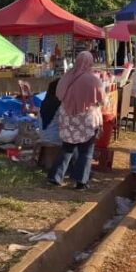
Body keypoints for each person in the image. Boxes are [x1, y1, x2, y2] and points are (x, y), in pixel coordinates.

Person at [48, 52, 104, 190]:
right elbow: (102, 100)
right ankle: (81, 182)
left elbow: (58, 95)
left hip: (67, 117)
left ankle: (55, 177)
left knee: (67, 148)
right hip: (86, 119)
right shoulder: (93, 80)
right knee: (86, 151)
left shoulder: (67, 77)